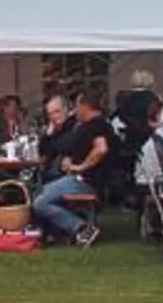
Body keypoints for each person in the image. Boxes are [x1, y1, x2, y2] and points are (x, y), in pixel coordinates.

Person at [31, 91, 115, 246]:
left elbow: (101, 149)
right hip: (85, 179)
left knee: (39, 203)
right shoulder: (96, 125)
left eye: (77, 106)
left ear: (84, 106)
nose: (75, 110)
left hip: (87, 181)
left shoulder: (95, 126)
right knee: (41, 188)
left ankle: (80, 228)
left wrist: (80, 167)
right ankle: (51, 232)